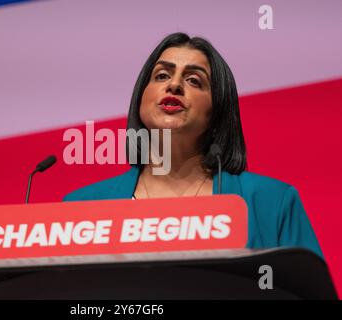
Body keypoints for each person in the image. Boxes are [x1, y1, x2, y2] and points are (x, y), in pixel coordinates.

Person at [63, 32, 323, 259]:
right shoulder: (80, 208)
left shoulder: (272, 202)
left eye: (194, 81)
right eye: (161, 75)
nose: (174, 85)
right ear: (141, 97)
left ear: (217, 110)